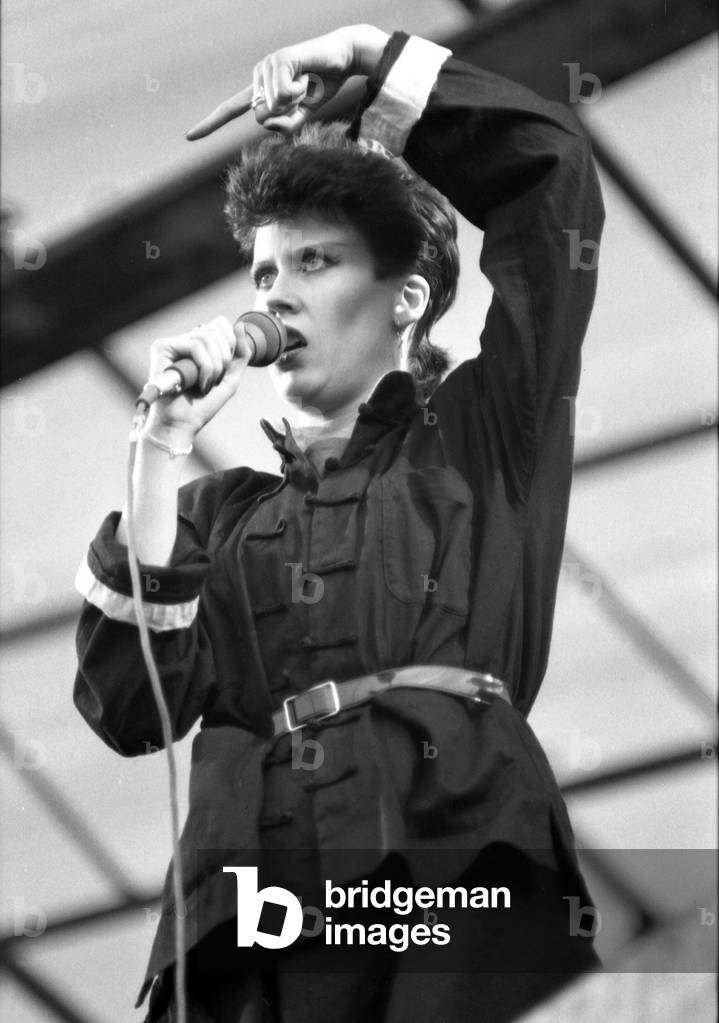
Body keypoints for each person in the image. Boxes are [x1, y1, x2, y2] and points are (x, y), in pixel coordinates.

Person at [73, 23, 605, 1023]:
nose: (274, 292)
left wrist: (376, 55)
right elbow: (133, 712)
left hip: (447, 855)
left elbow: (551, 186)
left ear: (405, 297)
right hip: (250, 915)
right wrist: (156, 450)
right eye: (266, 272)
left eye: (314, 262)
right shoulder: (217, 514)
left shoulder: (484, 437)